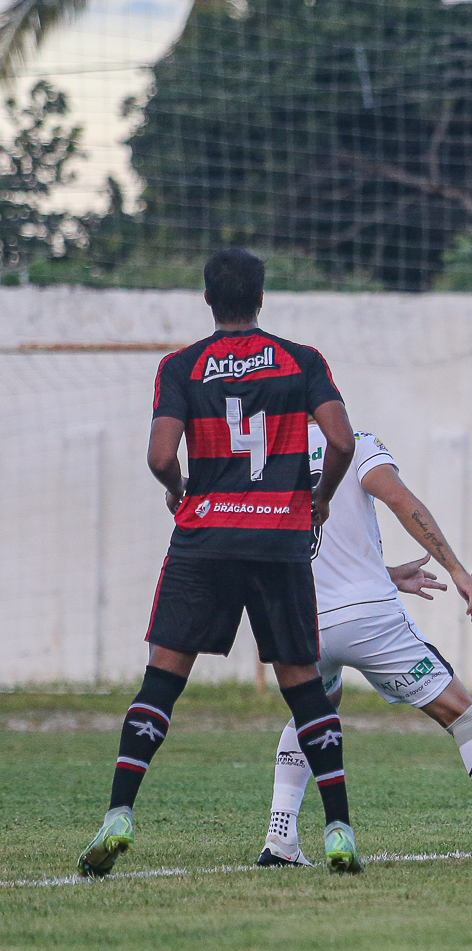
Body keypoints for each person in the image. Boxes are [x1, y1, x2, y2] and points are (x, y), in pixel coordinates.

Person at [78, 248, 366, 877]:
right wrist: (319, 498)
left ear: (207, 298)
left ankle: (118, 814)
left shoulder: (180, 366)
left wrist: (177, 489)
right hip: (279, 538)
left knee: (162, 680)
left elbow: (160, 457)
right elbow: (342, 442)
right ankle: (339, 828)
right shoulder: (303, 360)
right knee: (304, 686)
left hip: (204, 538)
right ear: (261, 297)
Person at [259, 427, 472, 870]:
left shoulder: (270, 457)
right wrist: (457, 570)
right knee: (463, 715)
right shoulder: (353, 442)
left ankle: (280, 839)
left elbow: (305, 546)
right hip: (369, 620)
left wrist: (385, 573)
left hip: (305, 619)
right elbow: (401, 501)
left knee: (314, 708)